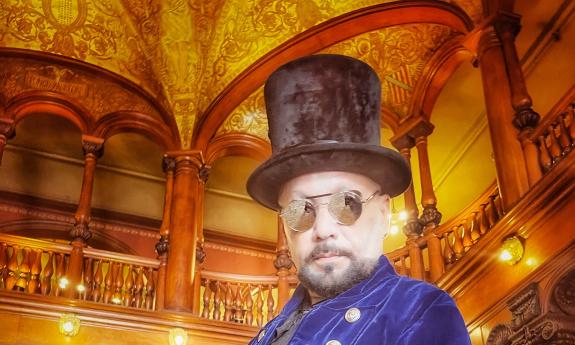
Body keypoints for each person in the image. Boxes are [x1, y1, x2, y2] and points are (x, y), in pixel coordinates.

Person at [246, 54, 471, 345]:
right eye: (300, 210)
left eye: (347, 204)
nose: (323, 229)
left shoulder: (419, 311)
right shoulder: (265, 336)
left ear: (384, 214)